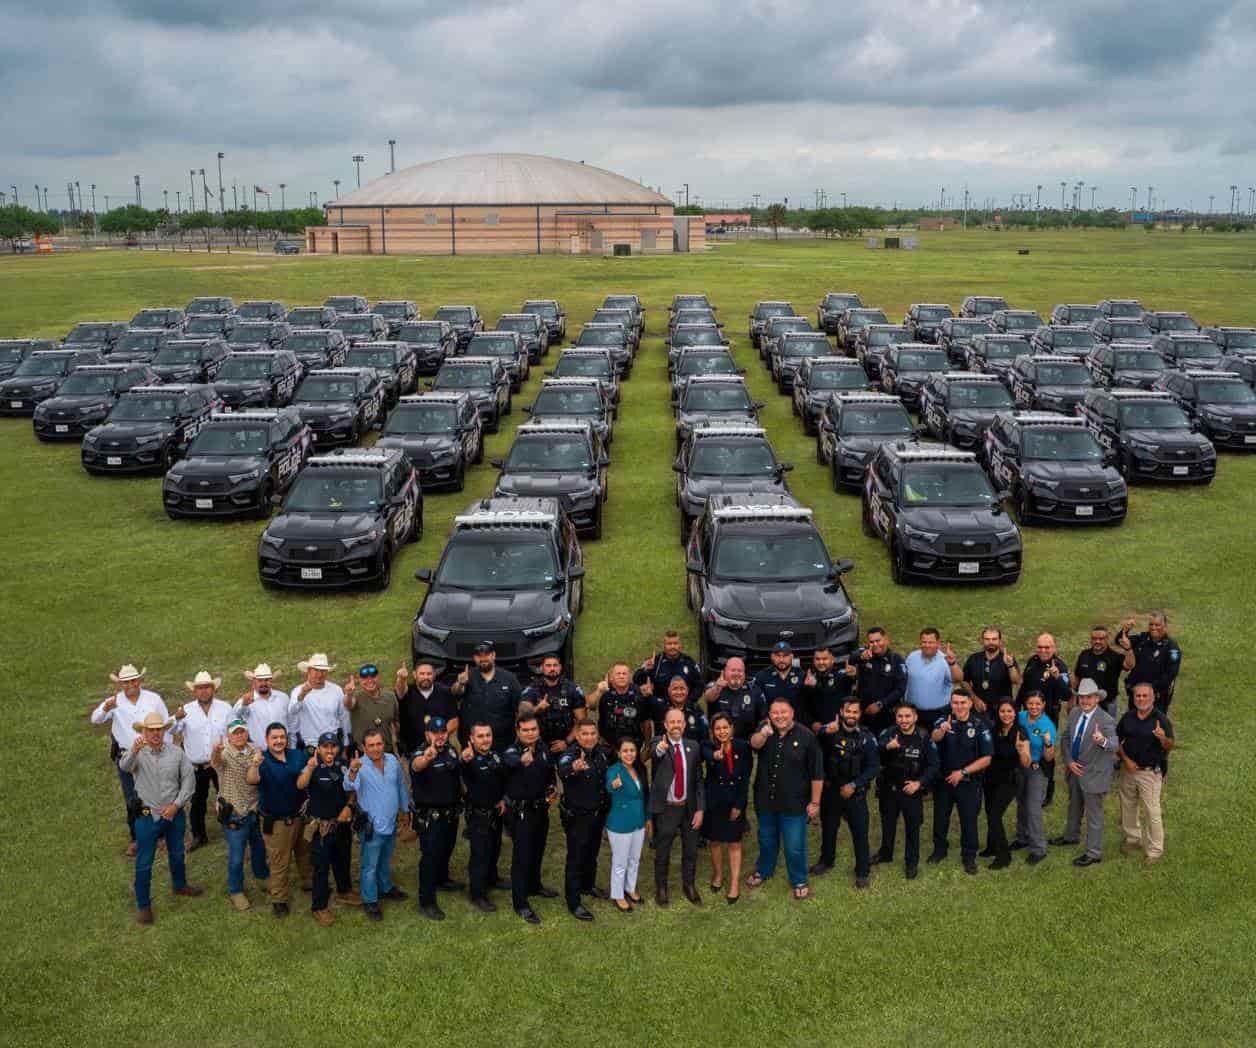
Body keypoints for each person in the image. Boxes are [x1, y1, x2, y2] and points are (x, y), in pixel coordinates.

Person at [119, 711, 202, 924]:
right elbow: (124, 767)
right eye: (151, 730)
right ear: (144, 732)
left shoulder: (176, 752)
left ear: (164, 731)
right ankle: (143, 906)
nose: (155, 733)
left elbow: (188, 781)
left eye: (159, 729)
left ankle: (180, 885)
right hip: (147, 816)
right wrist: (134, 751)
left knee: (177, 853)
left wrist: (176, 805)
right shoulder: (136, 753)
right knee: (144, 862)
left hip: (174, 814)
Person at [746, 699, 824, 900]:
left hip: (794, 803)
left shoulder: (807, 737)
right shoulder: (765, 730)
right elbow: (753, 744)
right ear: (769, 715)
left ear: (792, 713)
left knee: (794, 846)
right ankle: (764, 870)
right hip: (766, 799)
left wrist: (815, 802)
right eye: (775, 713)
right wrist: (762, 734)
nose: (779, 716)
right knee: (766, 839)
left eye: (784, 712)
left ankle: (799, 879)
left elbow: (817, 773)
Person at [90, 664, 170, 856]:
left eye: (133, 680)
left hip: (152, 753)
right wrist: (105, 708)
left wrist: (164, 750)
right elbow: (95, 719)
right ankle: (136, 838)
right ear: (120, 684)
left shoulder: (153, 699)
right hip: (127, 755)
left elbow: (165, 724)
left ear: (139, 681)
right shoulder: (113, 702)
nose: (130, 685)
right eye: (126, 682)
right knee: (131, 797)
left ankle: (160, 836)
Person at [812, 697, 879, 887]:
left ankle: (862, 871)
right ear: (841, 712)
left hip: (855, 792)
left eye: (855, 712)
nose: (851, 715)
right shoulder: (830, 732)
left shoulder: (867, 737)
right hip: (831, 790)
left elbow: (873, 767)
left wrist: (855, 785)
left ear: (860, 714)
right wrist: (824, 731)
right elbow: (812, 747)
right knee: (829, 829)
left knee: (860, 832)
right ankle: (826, 861)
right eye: (848, 711)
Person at [1052, 679, 1120, 867]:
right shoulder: (1074, 713)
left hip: (1095, 775)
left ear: (1097, 698)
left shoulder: (1105, 720)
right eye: (1082, 697)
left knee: (1094, 814)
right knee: (1073, 805)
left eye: (1089, 697)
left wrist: (1102, 741)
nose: (1085, 701)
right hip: (1075, 770)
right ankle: (1071, 836)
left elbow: (1114, 745)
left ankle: (1094, 853)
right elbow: (1066, 738)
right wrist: (1069, 761)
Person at [346, 727, 410, 921]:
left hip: (391, 823)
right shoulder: (359, 766)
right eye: (371, 745)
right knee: (370, 865)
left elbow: (400, 786)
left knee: (385, 858)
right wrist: (353, 770)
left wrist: (405, 811)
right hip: (372, 827)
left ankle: (385, 887)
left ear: (384, 744)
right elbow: (348, 785)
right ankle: (370, 900)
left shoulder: (392, 761)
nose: (376, 749)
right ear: (364, 747)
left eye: (379, 744)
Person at [295, 730, 358, 925]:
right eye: (325, 746)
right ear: (319, 749)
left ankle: (344, 891)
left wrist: (349, 806)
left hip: (341, 824)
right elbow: (300, 785)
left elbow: (353, 789)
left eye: (333, 746)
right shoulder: (313, 766)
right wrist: (310, 769)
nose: (330, 750)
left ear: (338, 748)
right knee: (321, 868)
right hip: (321, 827)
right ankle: (319, 907)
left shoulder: (343, 765)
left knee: (343, 859)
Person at [248, 722, 310, 917]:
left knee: (305, 853)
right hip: (277, 822)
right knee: (279, 861)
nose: (279, 741)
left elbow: (307, 776)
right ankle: (279, 899)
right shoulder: (262, 760)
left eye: (282, 737)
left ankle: (309, 883)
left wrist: (309, 798)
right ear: (267, 740)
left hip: (300, 817)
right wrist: (254, 765)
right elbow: (251, 779)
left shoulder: (297, 755)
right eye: (274, 737)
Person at [503, 705, 558, 924]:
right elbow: (507, 763)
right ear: (518, 731)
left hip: (540, 809)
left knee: (538, 850)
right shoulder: (512, 752)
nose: (530, 733)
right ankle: (521, 903)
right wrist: (520, 762)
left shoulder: (543, 748)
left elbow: (549, 773)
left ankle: (535, 886)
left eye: (533, 729)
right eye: (525, 730)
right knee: (522, 857)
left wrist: (552, 788)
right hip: (521, 813)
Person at [929, 689, 993, 874]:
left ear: (970, 703)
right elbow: (933, 738)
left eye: (963, 703)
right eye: (955, 702)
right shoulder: (944, 720)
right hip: (944, 781)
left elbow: (987, 758)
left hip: (969, 781)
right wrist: (941, 731)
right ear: (951, 703)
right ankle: (939, 851)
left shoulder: (981, 724)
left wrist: (962, 772)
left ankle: (969, 856)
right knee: (940, 818)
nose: (959, 706)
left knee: (968, 820)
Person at [210, 718, 270, 911]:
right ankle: (236, 891)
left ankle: (262, 877)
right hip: (234, 813)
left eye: (242, 732)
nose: (239, 735)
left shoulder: (255, 751)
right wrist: (215, 752)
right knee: (237, 857)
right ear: (229, 736)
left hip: (252, 810)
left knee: (259, 849)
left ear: (247, 733)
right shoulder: (225, 753)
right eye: (235, 733)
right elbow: (216, 762)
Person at [874, 704, 938, 879]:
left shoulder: (924, 737)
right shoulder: (888, 733)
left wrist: (919, 783)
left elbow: (934, 765)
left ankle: (911, 862)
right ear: (896, 718)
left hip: (911, 790)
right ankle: (885, 853)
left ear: (915, 717)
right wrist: (888, 747)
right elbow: (873, 753)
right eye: (900, 716)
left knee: (912, 827)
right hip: (889, 788)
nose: (904, 720)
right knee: (887, 823)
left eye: (907, 716)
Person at [649, 707, 705, 905]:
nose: (675, 725)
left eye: (679, 722)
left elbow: (698, 779)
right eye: (671, 722)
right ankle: (661, 888)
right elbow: (654, 753)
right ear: (665, 725)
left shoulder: (693, 746)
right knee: (663, 850)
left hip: (689, 808)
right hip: (667, 809)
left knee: (690, 850)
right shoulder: (659, 742)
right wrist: (661, 748)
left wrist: (700, 809)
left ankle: (689, 885)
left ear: (684, 724)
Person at [409, 715, 463, 920]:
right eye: (435, 732)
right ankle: (427, 901)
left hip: (450, 813)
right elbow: (416, 765)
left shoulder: (451, 750)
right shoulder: (422, 752)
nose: (439, 736)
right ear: (427, 734)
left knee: (446, 849)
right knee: (430, 856)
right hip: (430, 817)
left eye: (443, 732)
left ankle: (442, 879)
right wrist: (427, 758)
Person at [556, 720, 611, 920]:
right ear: (577, 736)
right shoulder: (570, 755)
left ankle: (588, 886)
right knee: (576, 858)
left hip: (597, 814)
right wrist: (574, 768)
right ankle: (574, 901)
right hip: (578, 817)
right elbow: (563, 771)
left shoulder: (601, 753)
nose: (589, 737)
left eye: (592, 733)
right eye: (584, 734)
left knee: (592, 853)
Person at [172, 671, 232, 851]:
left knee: (228, 796)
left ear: (213, 689)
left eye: (207, 687)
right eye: (200, 688)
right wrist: (177, 718)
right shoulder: (186, 710)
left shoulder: (225, 708)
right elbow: (172, 730)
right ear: (194, 691)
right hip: (197, 766)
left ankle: (232, 829)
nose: (204, 691)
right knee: (197, 801)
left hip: (220, 762)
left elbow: (231, 732)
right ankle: (199, 836)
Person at [1117, 683, 1175, 864]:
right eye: (1138, 696)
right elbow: (1116, 741)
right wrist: (1126, 760)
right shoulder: (1127, 717)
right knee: (1128, 806)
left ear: (1153, 698)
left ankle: (1155, 850)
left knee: (1152, 811)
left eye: (1144, 696)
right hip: (1128, 770)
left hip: (1149, 773)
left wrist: (1162, 737)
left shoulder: (1161, 719)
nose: (1141, 699)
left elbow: (1170, 745)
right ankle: (1133, 839)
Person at [701, 713, 751, 902]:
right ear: (713, 731)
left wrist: (739, 805)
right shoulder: (708, 746)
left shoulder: (743, 747)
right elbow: (708, 755)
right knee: (714, 842)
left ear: (731, 728)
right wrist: (715, 755)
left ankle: (734, 884)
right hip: (714, 802)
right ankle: (718, 875)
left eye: (725, 727)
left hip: (735, 801)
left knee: (734, 843)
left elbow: (745, 778)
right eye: (717, 728)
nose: (722, 731)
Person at [1016, 634, 1072, 805]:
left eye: (1047, 647)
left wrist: (1057, 678)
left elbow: (1067, 695)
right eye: (1040, 647)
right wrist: (1016, 706)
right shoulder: (1032, 662)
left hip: (1048, 715)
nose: (1043, 650)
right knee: (1027, 746)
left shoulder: (1060, 667)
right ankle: (1025, 782)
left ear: (1054, 648)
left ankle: (1047, 790)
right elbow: (1025, 687)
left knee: (1046, 751)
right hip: (1029, 713)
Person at [460, 722, 507, 912]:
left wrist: (503, 799)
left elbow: (502, 780)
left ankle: (492, 879)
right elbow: (461, 770)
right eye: (480, 736)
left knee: (495, 848)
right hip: (479, 816)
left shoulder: (495, 756)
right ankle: (478, 893)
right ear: (471, 739)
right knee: (480, 854)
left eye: (488, 735)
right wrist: (464, 760)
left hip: (496, 813)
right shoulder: (469, 758)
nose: (485, 739)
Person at [982, 700, 1028, 870]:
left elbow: (1026, 762)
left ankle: (1003, 856)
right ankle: (992, 846)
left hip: (1010, 779)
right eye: (1003, 711)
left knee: (995, 815)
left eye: (1009, 711)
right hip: (991, 777)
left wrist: (1021, 750)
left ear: (1015, 713)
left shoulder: (1020, 733)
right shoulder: (994, 730)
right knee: (989, 812)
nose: (1006, 714)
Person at [452, 641, 523, 751]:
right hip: (471, 742)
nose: (483, 659)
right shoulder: (467, 676)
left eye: (486, 655)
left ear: (493, 655)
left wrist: (521, 732)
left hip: (502, 741)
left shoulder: (509, 678)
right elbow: (455, 693)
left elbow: (520, 707)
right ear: (474, 658)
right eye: (479, 656)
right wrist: (460, 683)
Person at [1013, 692, 1057, 863]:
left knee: (1033, 808)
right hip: (1020, 767)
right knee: (1021, 803)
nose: (1034, 707)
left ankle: (1038, 848)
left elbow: (1049, 757)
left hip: (1037, 769)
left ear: (1044, 704)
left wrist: (1047, 742)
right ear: (1026, 704)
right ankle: (1022, 837)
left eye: (1038, 704)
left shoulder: (1048, 726)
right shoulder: (1020, 717)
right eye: (1030, 703)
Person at [605, 738, 648, 913]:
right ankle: (618, 895)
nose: (629, 754)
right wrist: (613, 786)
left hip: (638, 822)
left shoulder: (638, 769)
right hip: (620, 824)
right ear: (619, 753)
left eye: (632, 750)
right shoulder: (614, 770)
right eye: (625, 751)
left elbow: (642, 795)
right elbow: (610, 786)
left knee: (635, 859)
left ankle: (630, 888)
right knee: (620, 862)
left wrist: (647, 818)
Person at [521, 654, 585, 755]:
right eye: (548, 665)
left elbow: (581, 720)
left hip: (567, 743)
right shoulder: (532, 689)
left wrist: (566, 742)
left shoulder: (572, 689)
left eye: (555, 665)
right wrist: (537, 708)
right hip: (538, 744)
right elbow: (522, 714)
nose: (552, 668)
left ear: (560, 667)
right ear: (541, 668)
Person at [849, 626, 908, 733]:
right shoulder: (865, 654)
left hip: (886, 715)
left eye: (878, 640)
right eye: (871, 642)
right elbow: (852, 657)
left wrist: (880, 704)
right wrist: (861, 657)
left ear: (886, 640)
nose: (875, 644)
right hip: (864, 714)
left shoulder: (896, 660)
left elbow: (900, 689)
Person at [1117, 613, 1181, 711]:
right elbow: (1120, 641)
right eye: (1151, 624)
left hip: (1157, 698)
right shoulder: (1142, 638)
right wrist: (1125, 630)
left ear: (1165, 626)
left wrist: (1150, 690)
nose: (1153, 627)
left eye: (1157, 625)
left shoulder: (1172, 648)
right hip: (1137, 695)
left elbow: (1170, 674)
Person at [289, 653, 350, 751]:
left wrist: (346, 743)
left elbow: (344, 717)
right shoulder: (298, 690)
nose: (320, 674)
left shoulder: (336, 690)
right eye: (316, 670)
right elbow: (292, 712)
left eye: (323, 671)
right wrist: (302, 695)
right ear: (309, 671)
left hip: (332, 744)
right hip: (309, 745)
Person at [394, 662, 459, 754]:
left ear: (434, 675)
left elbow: (454, 720)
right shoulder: (407, 691)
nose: (425, 677)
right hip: (411, 749)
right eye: (422, 674)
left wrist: (439, 736)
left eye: (429, 674)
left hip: (440, 748)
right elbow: (399, 691)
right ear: (414, 675)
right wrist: (401, 678)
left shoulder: (445, 692)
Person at [904, 629, 962, 730]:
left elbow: (958, 679)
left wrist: (952, 663)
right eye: (924, 642)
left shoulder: (945, 660)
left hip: (938, 714)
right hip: (913, 713)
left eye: (930, 642)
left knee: (938, 743)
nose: (927, 645)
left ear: (938, 643)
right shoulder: (912, 657)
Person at [701, 658, 767, 740]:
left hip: (745, 743)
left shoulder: (754, 690)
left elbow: (764, 717)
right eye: (733, 670)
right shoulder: (716, 685)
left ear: (744, 673)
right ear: (725, 671)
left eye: (740, 671)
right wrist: (717, 688)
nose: (736, 673)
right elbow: (708, 698)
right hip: (718, 741)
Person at [962, 627, 1022, 718]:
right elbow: (964, 680)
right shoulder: (973, 658)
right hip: (979, 708)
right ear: (982, 641)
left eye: (994, 639)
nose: (991, 642)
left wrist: (1010, 665)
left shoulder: (1007, 659)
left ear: (1000, 641)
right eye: (987, 639)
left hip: (1002, 711)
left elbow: (1016, 681)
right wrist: (974, 699)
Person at [344, 663, 400, 756]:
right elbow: (348, 704)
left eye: (373, 677)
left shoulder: (390, 697)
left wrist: (396, 749)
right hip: (363, 753)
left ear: (379, 677)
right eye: (365, 678)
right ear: (359, 680)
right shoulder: (356, 697)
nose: (369, 681)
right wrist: (349, 695)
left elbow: (395, 723)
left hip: (387, 751)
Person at [593, 662, 650, 749]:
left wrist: (647, 746)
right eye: (618, 674)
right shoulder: (604, 692)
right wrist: (598, 692)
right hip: (608, 746)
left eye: (624, 673)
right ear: (611, 677)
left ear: (630, 677)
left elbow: (645, 722)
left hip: (633, 747)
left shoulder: (638, 694)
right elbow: (591, 705)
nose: (621, 676)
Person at [632, 630, 702, 700]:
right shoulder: (655, 662)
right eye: (669, 644)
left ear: (680, 645)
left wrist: (689, 702)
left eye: (675, 643)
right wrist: (645, 670)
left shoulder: (689, 661)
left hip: (684, 705)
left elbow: (699, 685)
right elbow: (636, 680)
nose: (672, 646)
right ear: (664, 646)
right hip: (660, 706)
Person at [803, 647, 855, 740]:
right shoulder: (808, 678)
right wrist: (812, 722)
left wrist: (853, 675)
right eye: (817, 659)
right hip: (816, 731)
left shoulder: (840, 676)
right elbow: (804, 705)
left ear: (832, 660)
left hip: (838, 730)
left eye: (824, 659)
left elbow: (850, 680)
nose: (821, 662)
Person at [234, 663, 290, 749]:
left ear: (271, 681)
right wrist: (244, 704)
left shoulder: (283, 698)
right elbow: (236, 717)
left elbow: (291, 720)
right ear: (254, 682)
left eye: (266, 680)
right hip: (260, 751)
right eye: (260, 680)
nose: (263, 683)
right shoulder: (245, 700)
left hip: (283, 748)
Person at [1073, 626, 1124, 716]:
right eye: (1094, 638)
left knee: (1105, 730)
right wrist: (1073, 697)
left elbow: (1129, 665)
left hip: (1106, 705)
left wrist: (1129, 649)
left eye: (1101, 639)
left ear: (1107, 639)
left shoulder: (1115, 657)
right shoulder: (1084, 654)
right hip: (1084, 704)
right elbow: (1077, 677)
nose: (1097, 641)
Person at [649, 675, 709, 742]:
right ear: (669, 691)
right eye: (675, 689)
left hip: (693, 751)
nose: (679, 692)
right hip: (667, 750)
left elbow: (705, 737)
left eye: (682, 688)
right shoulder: (660, 708)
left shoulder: (695, 709)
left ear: (687, 690)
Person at [752, 641, 804, 714]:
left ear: (791, 656)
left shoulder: (801, 675)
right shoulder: (762, 676)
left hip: (795, 721)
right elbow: (756, 703)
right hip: (771, 721)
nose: (781, 660)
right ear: (772, 656)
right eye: (778, 656)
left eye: (785, 656)